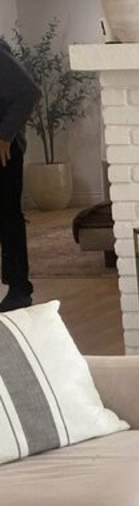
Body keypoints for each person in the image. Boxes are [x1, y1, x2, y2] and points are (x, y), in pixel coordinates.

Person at [0, 37, 39, 313]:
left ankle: (19, 289)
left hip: (4, 150)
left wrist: (4, 135)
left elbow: (29, 92)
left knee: (7, 217)